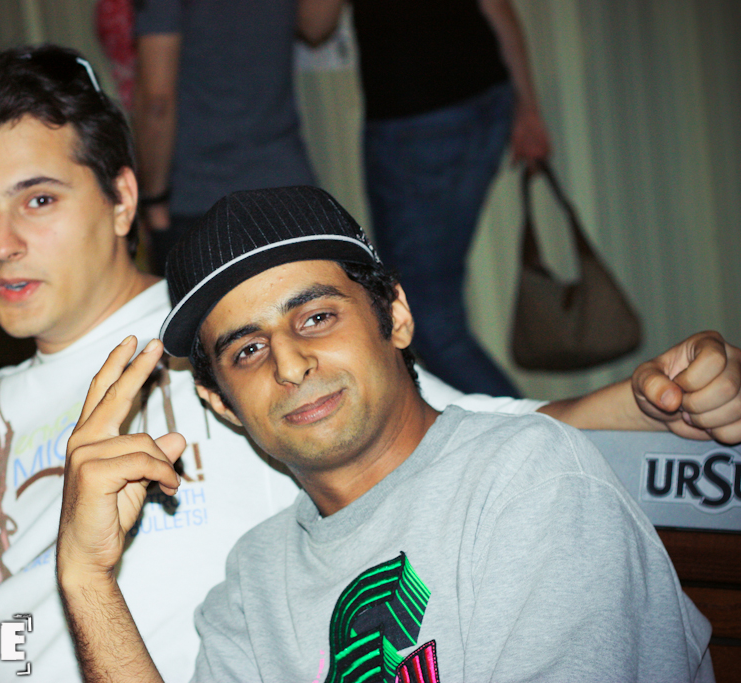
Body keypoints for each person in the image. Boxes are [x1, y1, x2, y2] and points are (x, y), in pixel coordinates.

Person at [0, 45, 738, 682]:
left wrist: (655, 400)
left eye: (37, 199)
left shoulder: (228, 336)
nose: (3, 244)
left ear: (121, 197)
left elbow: (461, 443)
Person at [57, 186, 714, 682]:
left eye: (316, 317)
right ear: (220, 403)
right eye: (247, 350)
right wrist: (87, 578)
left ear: (395, 316)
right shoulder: (250, 588)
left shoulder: (528, 478)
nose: (290, 364)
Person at [300, 0, 550, 396]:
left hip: (416, 117)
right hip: (486, 98)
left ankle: (533, 431)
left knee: (427, 319)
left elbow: (315, 24)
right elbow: (496, 7)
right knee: (433, 311)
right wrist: (528, 107)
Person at [132, 0, 320, 274]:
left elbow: (156, 102)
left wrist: (154, 201)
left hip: (200, 198)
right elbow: (318, 25)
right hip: (287, 183)